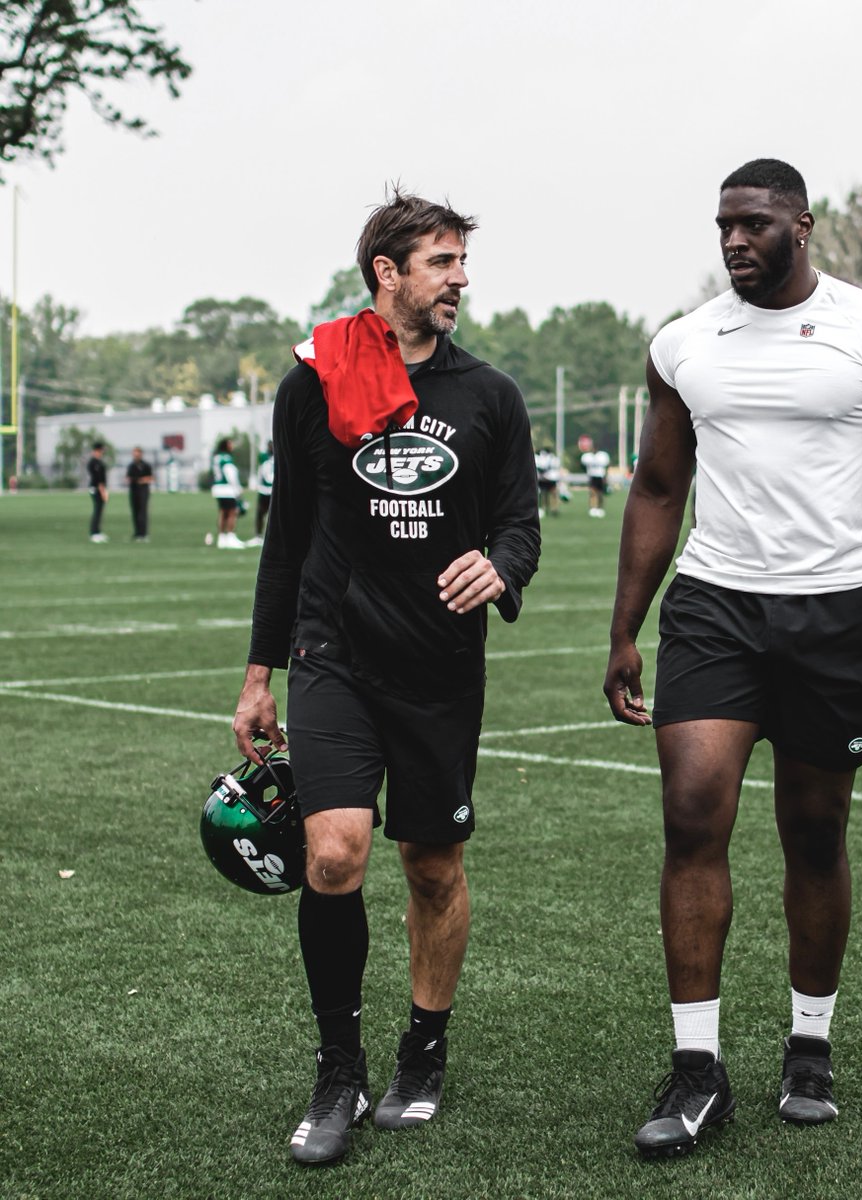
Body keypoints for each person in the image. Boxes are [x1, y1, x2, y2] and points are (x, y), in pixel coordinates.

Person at [603, 159, 862, 1160]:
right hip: (715, 608)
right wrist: (624, 626)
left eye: (754, 225)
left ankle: (810, 1042)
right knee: (691, 815)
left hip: (833, 614)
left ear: (801, 226)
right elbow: (657, 486)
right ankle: (695, 1067)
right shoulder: (684, 344)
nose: (733, 242)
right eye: (723, 226)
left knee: (814, 830)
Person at [231, 186, 540, 1167]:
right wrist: (257, 674)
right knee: (333, 856)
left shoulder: (489, 395)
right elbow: (285, 537)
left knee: (432, 866)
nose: (460, 280)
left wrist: (503, 566)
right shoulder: (315, 381)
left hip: (440, 665)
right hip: (337, 654)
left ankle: (424, 1047)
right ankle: (337, 1071)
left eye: (460, 262)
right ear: (387, 274)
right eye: (442, 263)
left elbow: (519, 526)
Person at [211, 437, 245, 548]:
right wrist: (238, 489)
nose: (232, 446)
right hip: (227, 489)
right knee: (232, 512)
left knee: (222, 512)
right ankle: (230, 537)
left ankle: (221, 538)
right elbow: (230, 475)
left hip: (218, 488)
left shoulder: (216, 457)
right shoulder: (227, 458)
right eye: (230, 444)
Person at [248, 440, 275, 546]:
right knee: (260, 513)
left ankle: (273, 536)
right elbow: (261, 471)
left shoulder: (279, 453)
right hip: (264, 489)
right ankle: (258, 535)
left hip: (274, 489)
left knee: (274, 515)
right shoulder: (263, 456)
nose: (270, 447)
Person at [125, 446, 153, 540]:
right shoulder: (131, 466)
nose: (135, 455)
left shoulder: (146, 465)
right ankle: (137, 533)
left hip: (143, 491)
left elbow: (150, 478)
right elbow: (128, 478)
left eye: (137, 453)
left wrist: (142, 480)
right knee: (135, 512)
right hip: (133, 491)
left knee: (142, 512)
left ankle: (143, 533)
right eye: (134, 454)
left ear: (141, 454)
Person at [581, 439, 611, 516]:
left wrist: (606, 477)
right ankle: (593, 508)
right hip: (592, 476)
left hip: (600, 476)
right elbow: (583, 466)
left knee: (600, 494)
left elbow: (606, 467)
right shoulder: (587, 456)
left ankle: (600, 508)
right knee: (592, 493)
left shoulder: (603, 456)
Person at [86, 442, 109, 543]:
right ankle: (94, 533)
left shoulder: (99, 462)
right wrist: (103, 492)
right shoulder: (93, 462)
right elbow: (98, 479)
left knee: (100, 511)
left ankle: (98, 531)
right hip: (96, 489)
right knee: (97, 510)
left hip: (100, 488)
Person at [534, 445, 562, 517]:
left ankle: (551, 509)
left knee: (549, 494)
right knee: (544, 494)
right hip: (544, 478)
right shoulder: (551, 458)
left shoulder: (552, 459)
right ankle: (546, 508)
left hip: (548, 478)